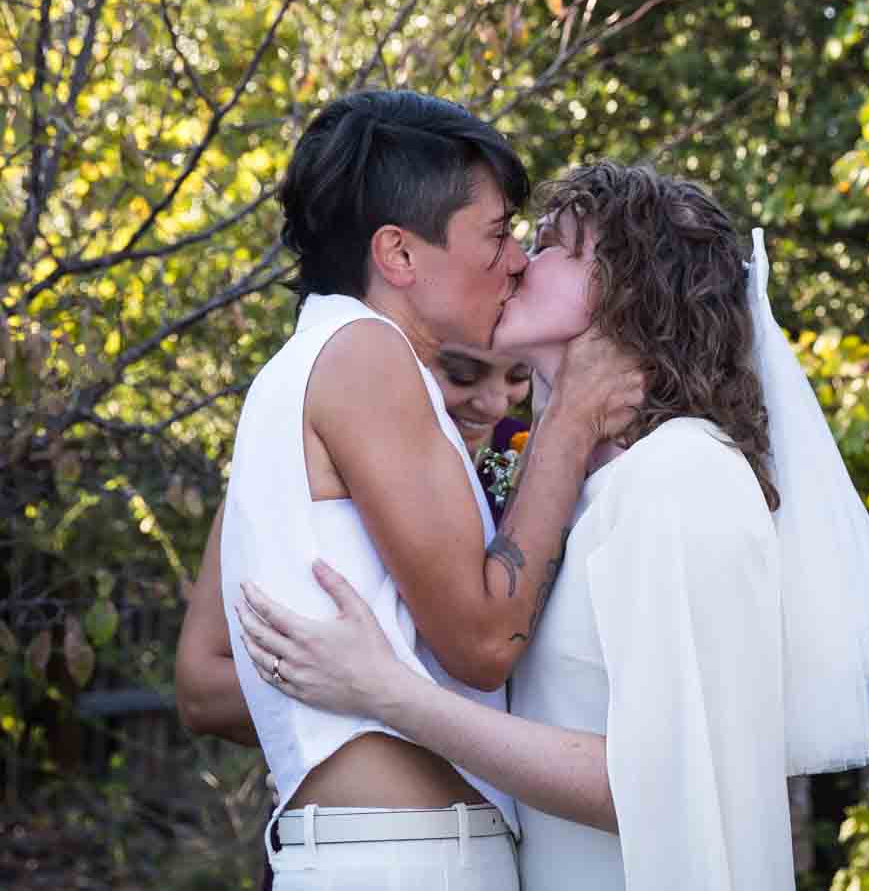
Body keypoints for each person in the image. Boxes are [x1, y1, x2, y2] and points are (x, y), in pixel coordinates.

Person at [236, 162, 869, 890]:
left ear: (629, 291)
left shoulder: (684, 475)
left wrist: (392, 694)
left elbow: (655, 781)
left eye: (558, 245)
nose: (520, 263)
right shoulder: (596, 495)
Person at [190, 91, 642, 891]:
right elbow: (480, 640)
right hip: (407, 859)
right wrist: (570, 420)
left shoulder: (317, 361)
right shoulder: (364, 354)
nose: (516, 261)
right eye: (498, 233)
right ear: (398, 255)